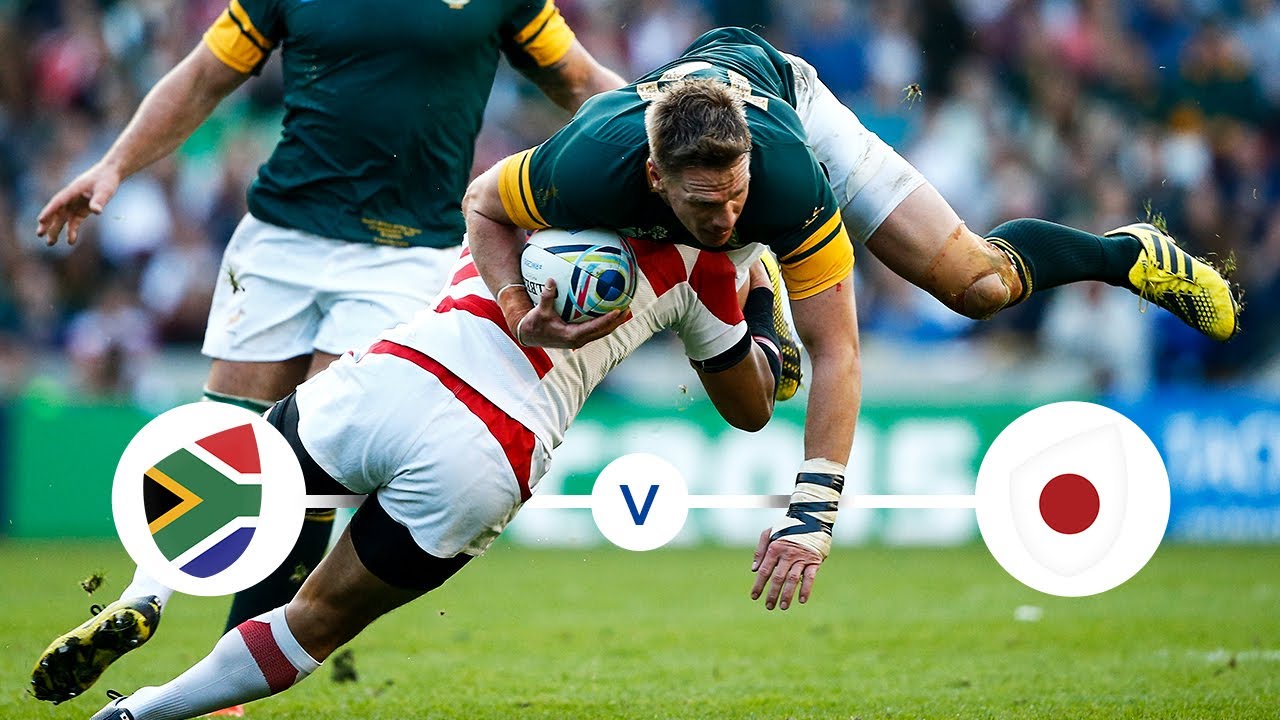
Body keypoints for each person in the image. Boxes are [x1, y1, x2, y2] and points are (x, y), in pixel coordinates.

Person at [462, 27, 1243, 608]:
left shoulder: (785, 179)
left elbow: (838, 351)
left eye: (735, 198)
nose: (726, 215)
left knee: (977, 287)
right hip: (669, 159)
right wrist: (517, 307)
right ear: (654, 178)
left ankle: (1126, 254)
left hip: (791, 104)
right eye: (707, 205)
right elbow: (482, 205)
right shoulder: (581, 166)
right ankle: (755, 286)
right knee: (747, 410)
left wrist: (812, 516)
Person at [31, 0, 625, 708]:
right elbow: (586, 84)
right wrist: (112, 166)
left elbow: (584, 84)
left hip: (378, 251)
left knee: (266, 445)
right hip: (297, 235)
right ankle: (197, 663)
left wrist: (663, 129)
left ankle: (148, 595)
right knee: (279, 457)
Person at [86, 235, 787, 720]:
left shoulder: (552, 174)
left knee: (226, 476)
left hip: (401, 373)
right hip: (496, 445)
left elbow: (482, 197)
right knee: (317, 620)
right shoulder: (710, 268)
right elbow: (756, 405)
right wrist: (760, 304)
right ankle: (143, 714)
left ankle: (148, 590)